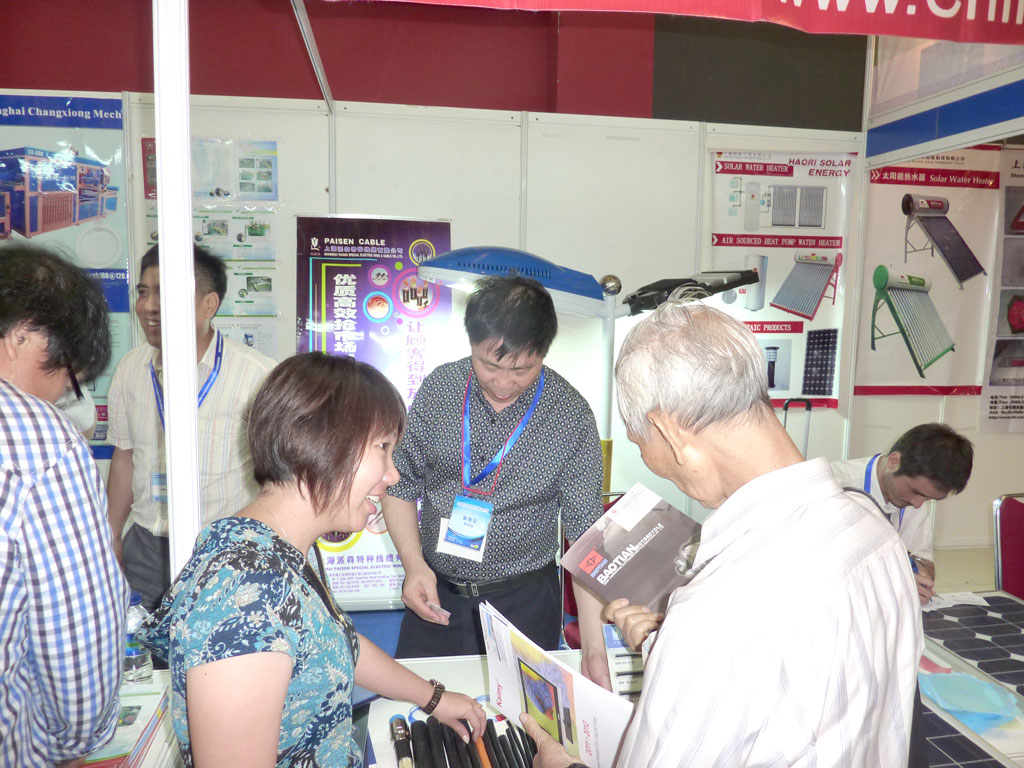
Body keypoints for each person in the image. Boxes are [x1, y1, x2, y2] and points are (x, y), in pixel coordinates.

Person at [521, 298, 922, 767]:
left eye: (641, 444)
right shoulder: (875, 532)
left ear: (670, 432)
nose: (652, 463)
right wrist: (666, 651)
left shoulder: (714, 615)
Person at [137, 352, 486, 767]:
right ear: (322, 442)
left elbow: (334, 641)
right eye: (382, 448)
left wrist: (433, 698)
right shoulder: (246, 594)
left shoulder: (276, 547)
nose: (392, 475)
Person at [381, 275, 609, 687]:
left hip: (524, 603)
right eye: (489, 365)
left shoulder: (569, 415)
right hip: (436, 592)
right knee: (417, 705)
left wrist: (594, 648)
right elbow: (400, 484)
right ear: (471, 344)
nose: (504, 383)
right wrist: (413, 566)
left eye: (522, 369)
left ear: (543, 353)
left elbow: (586, 537)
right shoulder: (440, 390)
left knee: (520, 717)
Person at [0, 244, 129, 767]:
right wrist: (76, 745)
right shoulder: (39, 441)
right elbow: (77, 644)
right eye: (68, 375)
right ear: (22, 335)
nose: (59, 396)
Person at [106, 244, 276, 611]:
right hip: (147, 548)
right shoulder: (130, 369)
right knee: (141, 643)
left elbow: (279, 479)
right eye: (143, 292)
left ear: (209, 305)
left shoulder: (258, 376)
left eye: (164, 293)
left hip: (225, 550)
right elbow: (125, 456)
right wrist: (112, 534)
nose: (149, 306)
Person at [831, 423, 974, 605]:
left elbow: (925, 563)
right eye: (915, 492)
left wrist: (919, 577)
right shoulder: (834, 486)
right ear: (894, 461)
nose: (918, 504)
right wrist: (892, 581)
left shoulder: (916, 498)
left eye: (929, 499)